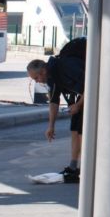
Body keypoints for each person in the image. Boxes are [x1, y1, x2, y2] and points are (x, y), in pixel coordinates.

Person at [27, 53, 86, 183]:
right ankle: (73, 167)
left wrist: (78, 104)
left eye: (36, 78)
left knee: (82, 131)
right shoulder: (51, 77)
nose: (37, 81)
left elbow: (91, 83)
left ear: (43, 71)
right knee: (74, 129)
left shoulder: (66, 67)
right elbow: (54, 101)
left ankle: (87, 167)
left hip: (93, 94)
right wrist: (51, 126)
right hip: (82, 99)